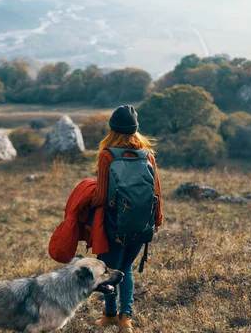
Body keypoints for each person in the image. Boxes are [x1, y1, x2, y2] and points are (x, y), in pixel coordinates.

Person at [91, 105, 163, 333]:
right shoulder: (147, 155)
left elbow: (101, 196)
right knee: (127, 268)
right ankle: (126, 319)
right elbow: (157, 192)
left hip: (114, 225)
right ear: (136, 129)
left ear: (112, 129)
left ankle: (111, 315)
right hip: (142, 225)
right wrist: (156, 221)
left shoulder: (107, 155)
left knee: (109, 268)